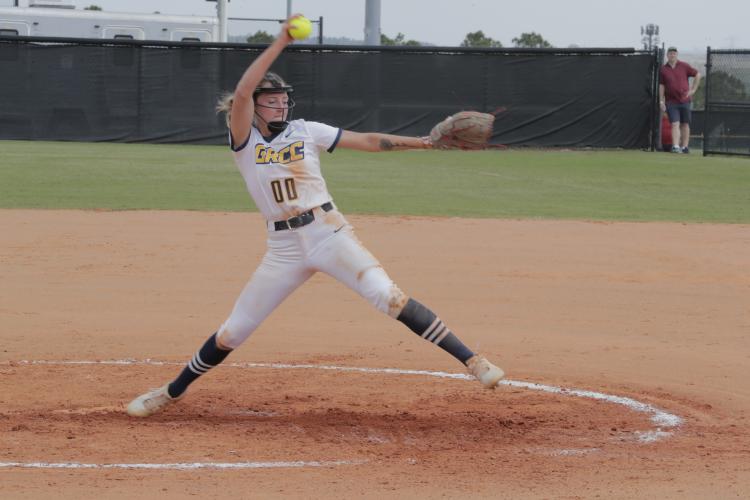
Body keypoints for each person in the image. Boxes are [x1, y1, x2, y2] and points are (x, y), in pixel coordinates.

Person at [126, 15, 504, 417]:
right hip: (283, 248)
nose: (280, 102)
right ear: (254, 107)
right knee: (235, 330)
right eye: (270, 98)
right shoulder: (244, 140)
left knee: (387, 296)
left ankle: (474, 361)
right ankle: (170, 392)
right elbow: (240, 92)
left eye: (283, 97)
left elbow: (369, 141)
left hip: (328, 232)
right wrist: (280, 41)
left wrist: (425, 143)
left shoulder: (306, 130)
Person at [659, 47, 701, 154]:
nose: (672, 55)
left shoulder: (684, 66)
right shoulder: (663, 69)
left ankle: (685, 147)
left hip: (685, 100)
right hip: (671, 102)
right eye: (670, 53)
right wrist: (661, 100)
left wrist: (693, 90)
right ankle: (676, 146)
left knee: (685, 124)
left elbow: (697, 74)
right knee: (674, 123)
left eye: (674, 53)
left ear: (677, 55)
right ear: (667, 55)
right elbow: (662, 85)